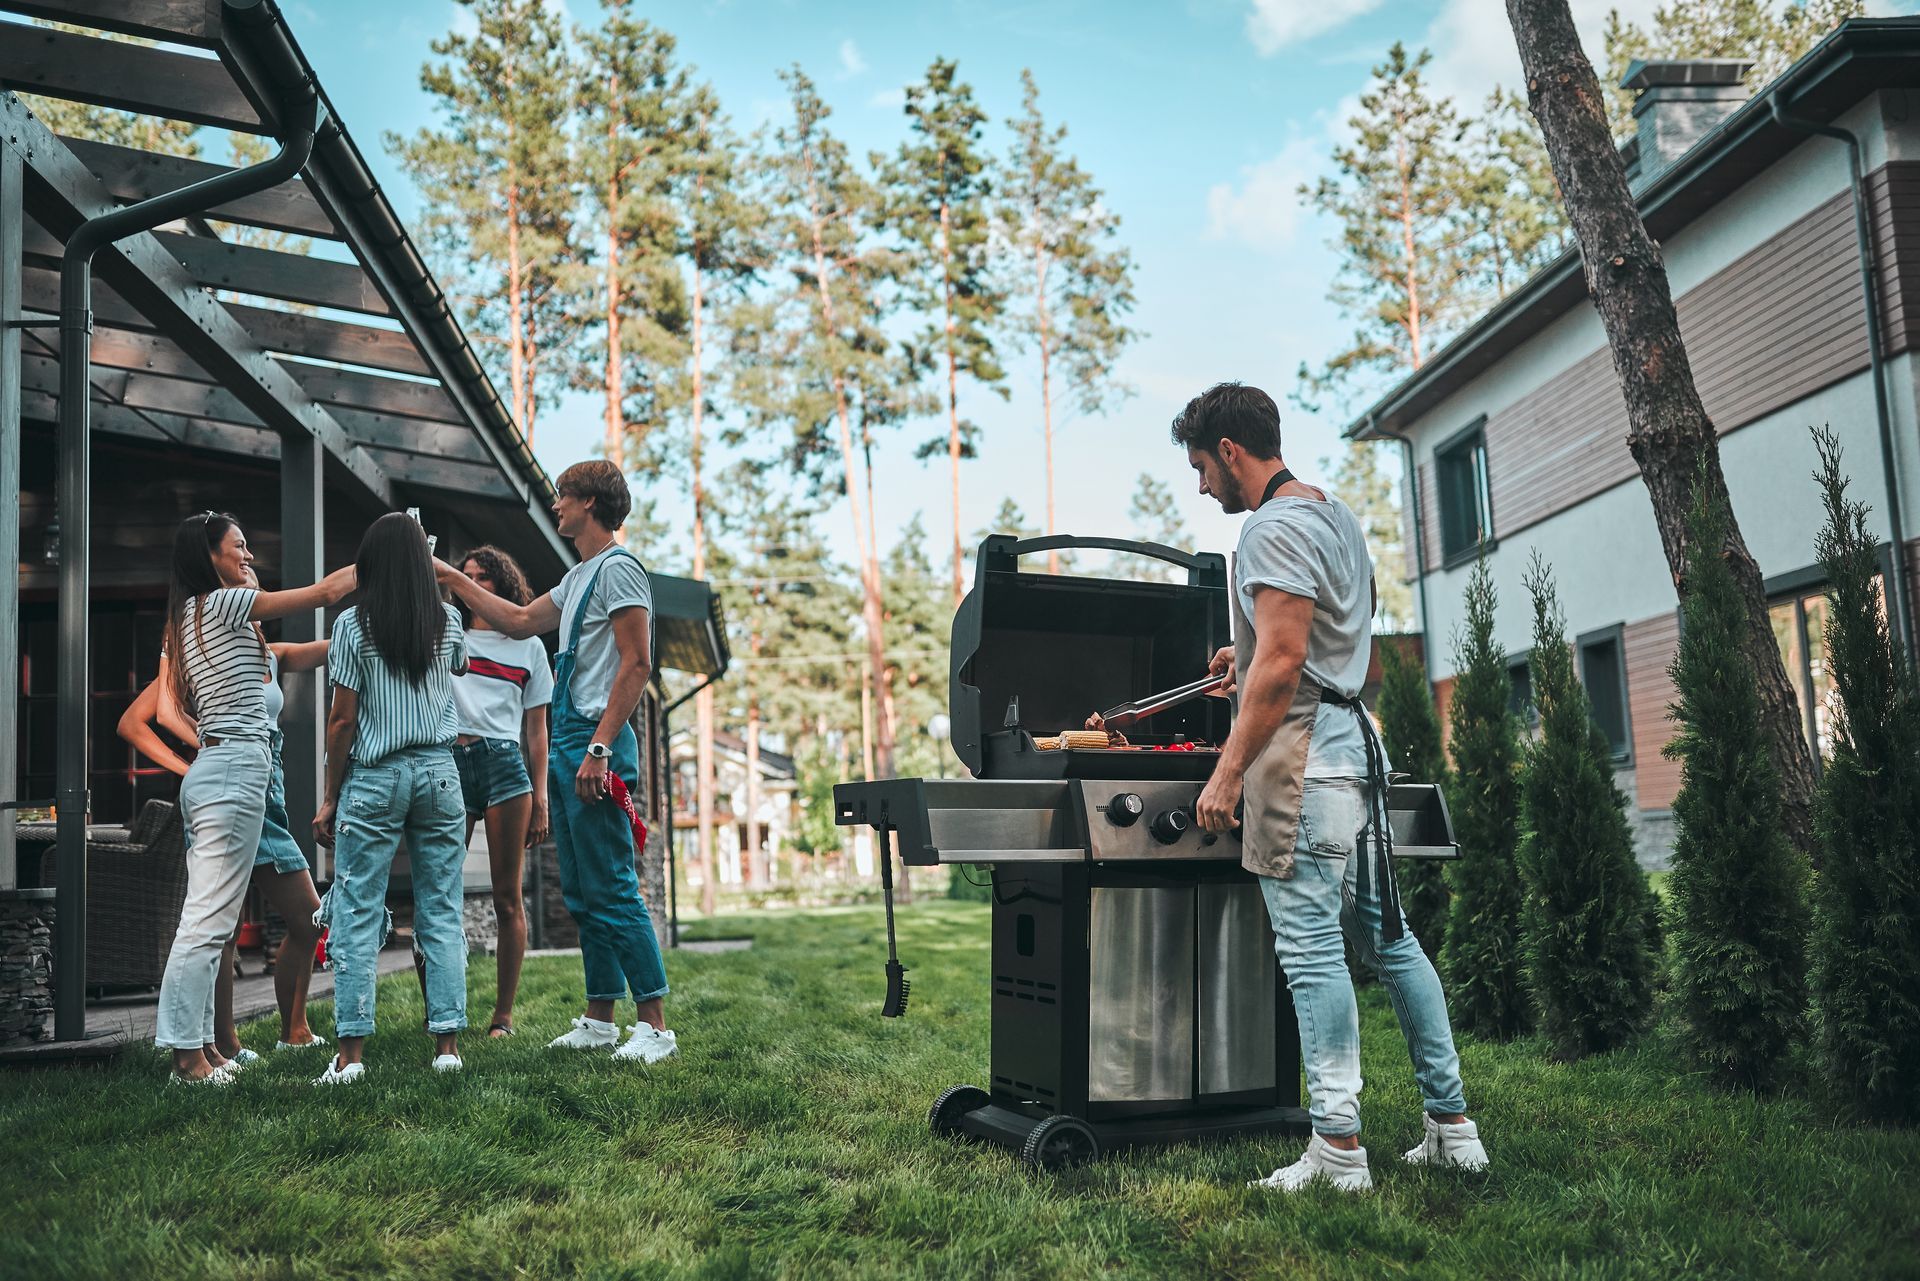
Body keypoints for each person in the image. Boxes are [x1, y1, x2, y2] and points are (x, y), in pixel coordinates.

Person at [1169, 382, 1487, 1192]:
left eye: (1203, 467)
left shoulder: (1271, 528)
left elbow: (1284, 661)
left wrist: (1229, 769)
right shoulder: (1336, 517)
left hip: (1305, 765)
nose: (1203, 486)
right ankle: (1453, 1128)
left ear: (1232, 452)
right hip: (1360, 757)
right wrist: (1247, 652)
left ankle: (1338, 1148)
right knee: (1392, 943)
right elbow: (1322, 636)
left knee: (1313, 956)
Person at [435, 459, 674, 1065]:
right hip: (570, 741)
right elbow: (516, 620)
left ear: (590, 502)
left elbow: (637, 663)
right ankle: (600, 1019)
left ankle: (655, 1026)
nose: (556, 505)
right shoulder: (577, 580)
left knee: (615, 883)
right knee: (582, 890)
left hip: (595, 741)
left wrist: (598, 748)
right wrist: (447, 576)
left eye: (563, 496)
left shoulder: (620, 571)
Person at [154, 512, 355, 1085]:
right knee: (206, 920)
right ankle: (186, 1060)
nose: (248, 557)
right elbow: (323, 593)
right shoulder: (218, 604)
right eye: (238, 548)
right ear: (208, 557)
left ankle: (203, 1049)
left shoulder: (206, 617)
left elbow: (314, 645)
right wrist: (397, 558)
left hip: (225, 769)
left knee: (210, 920)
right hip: (234, 767)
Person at [118, 616, 329, 1064]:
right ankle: (224, 1043)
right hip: (230, 785)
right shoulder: (200, 657)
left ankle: (293, 1032)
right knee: (228, 926)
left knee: (304, 918)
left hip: (267, 795)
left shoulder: (271, 653)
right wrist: (187, 765)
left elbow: (333, 646)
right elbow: (134, 723)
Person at [311, 513, 472, 1085]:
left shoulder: (353, 626)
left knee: (355, 910)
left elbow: (342, 719)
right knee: (441, 908)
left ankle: (351, 1058)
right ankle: (447, 1047)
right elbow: (457, 668)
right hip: (439, 775)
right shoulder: (449, 622)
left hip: (375, 777)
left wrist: (330, 797)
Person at [445, 545, 551, 1037]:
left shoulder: (527, 645)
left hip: (506, 767)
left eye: (483, 578)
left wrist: (541, 797)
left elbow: (536, 731)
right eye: (465, 577)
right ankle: (440, 1013)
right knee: (438, 894)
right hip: (447, 761)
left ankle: (502, 1018)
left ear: (503, 585)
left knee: (507, 898)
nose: (472, 585)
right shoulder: (446, 636)